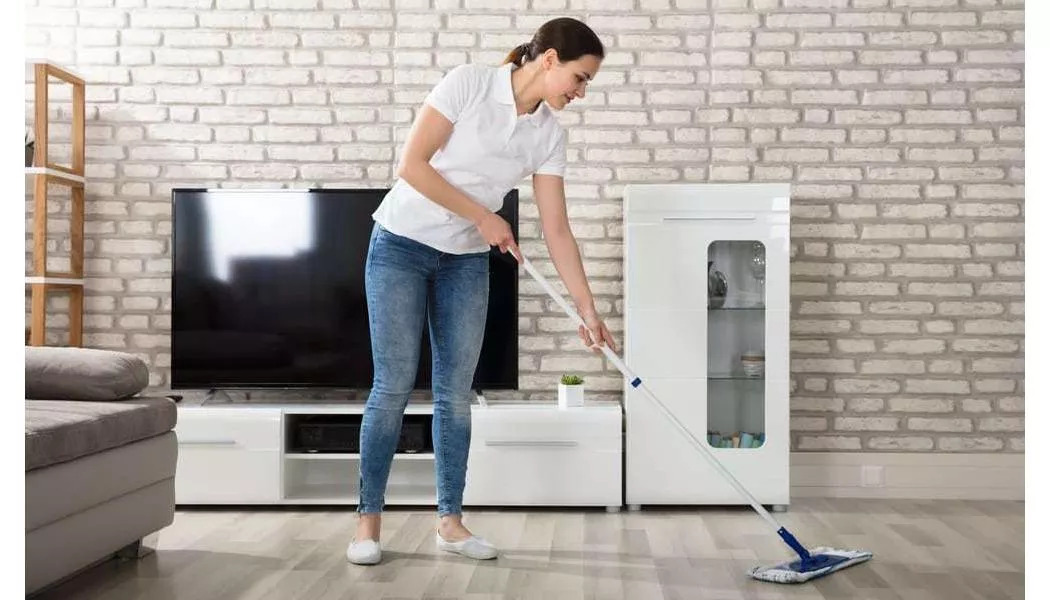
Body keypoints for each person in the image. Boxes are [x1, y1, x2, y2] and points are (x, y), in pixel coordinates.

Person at [347, 16, 617, 566]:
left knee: (455, 394)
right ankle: (367, 524)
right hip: (400, 244)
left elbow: (558, 229)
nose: (581, 92)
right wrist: (484, 216)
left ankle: (449, 522)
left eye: (587, 83)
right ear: (549, 60)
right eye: (580, 78)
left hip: (465, 261)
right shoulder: (467, 84)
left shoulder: (548, 134)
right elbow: (412, 166)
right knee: (393, 384)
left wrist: (588, 311)